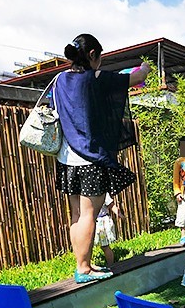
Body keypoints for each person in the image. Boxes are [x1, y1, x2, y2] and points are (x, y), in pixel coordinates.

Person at [56, 33, 149, 283]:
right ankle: (84, 269)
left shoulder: (60, 79)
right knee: (89, 215)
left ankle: (82, 263)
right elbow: (137, 78)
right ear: (92, 55)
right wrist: (145, 67)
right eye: (100, 57)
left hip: (66, 158)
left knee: (76, 215)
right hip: (90, 158)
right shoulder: (96, 77)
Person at [94, 192, 120, 266]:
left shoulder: (102, 193)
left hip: (101, 223)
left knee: (105, 246)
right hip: (92, 221)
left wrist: (118, 213)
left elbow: (111, 205)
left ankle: (111, 265)